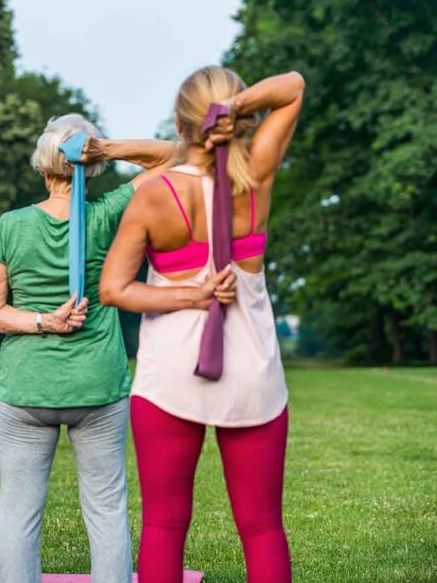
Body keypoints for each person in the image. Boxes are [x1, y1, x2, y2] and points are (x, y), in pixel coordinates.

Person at [0, 114, 203, 582]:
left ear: (42, 165)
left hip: (26, 389)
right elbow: (177, 155)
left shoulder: (12, 226)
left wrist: (40, 321)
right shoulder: (110, 212)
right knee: (106, 509)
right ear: (89, 163)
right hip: (98, 385)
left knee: (19, 511)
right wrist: (109, 148)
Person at [100, 67, 305, 583]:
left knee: (165, 527)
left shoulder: (154, 193)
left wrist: (190, 293)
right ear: (233, 117)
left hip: (170, 378)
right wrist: (239, 106)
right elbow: (294, 85)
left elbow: (114, 289)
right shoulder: (255, 176)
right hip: (253, 376)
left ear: (178, 121)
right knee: (262, 530)